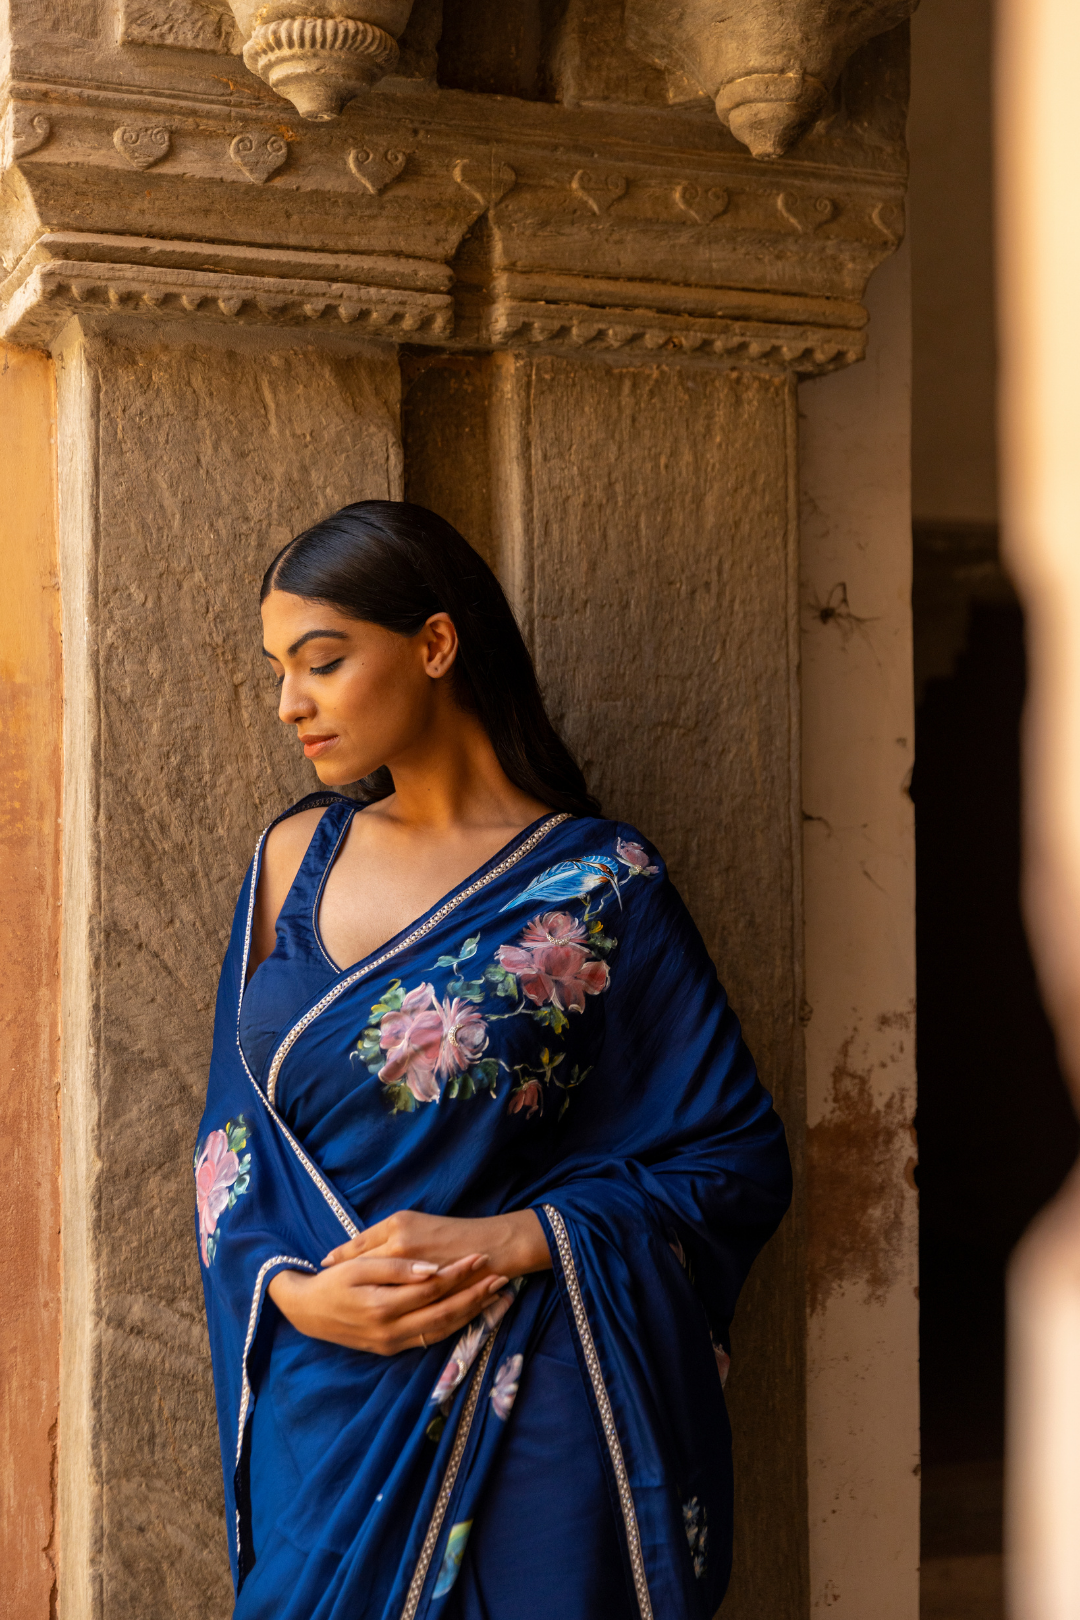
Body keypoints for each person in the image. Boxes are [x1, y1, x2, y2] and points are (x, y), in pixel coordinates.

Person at [196, 499, 792, 1620]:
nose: (290, 704)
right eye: (278, 669)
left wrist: (521, 1239)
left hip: (533, 1410)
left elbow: (735, 1160)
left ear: (433, 644)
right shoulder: (290, 860)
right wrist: (296, 1297)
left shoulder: (594, 889)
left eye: (321, 662)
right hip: (321, 1417)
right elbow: (231, 1147)